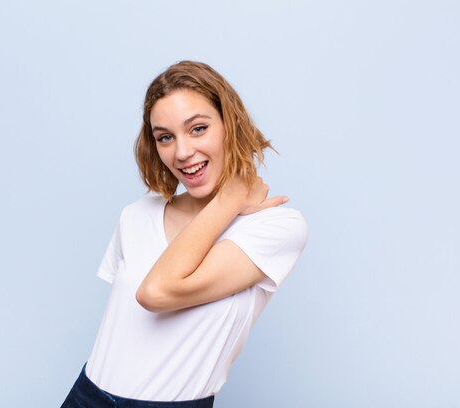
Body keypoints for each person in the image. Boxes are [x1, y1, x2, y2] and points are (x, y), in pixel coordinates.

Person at [61, 60, 308, 407]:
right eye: (165, 137)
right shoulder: (135, 216)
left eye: (197, 129)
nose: (181, 152)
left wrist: (227, 202)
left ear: (229, 124)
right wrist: (231, 198)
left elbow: (156, 291)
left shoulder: (275, 228)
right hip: (87, 396)